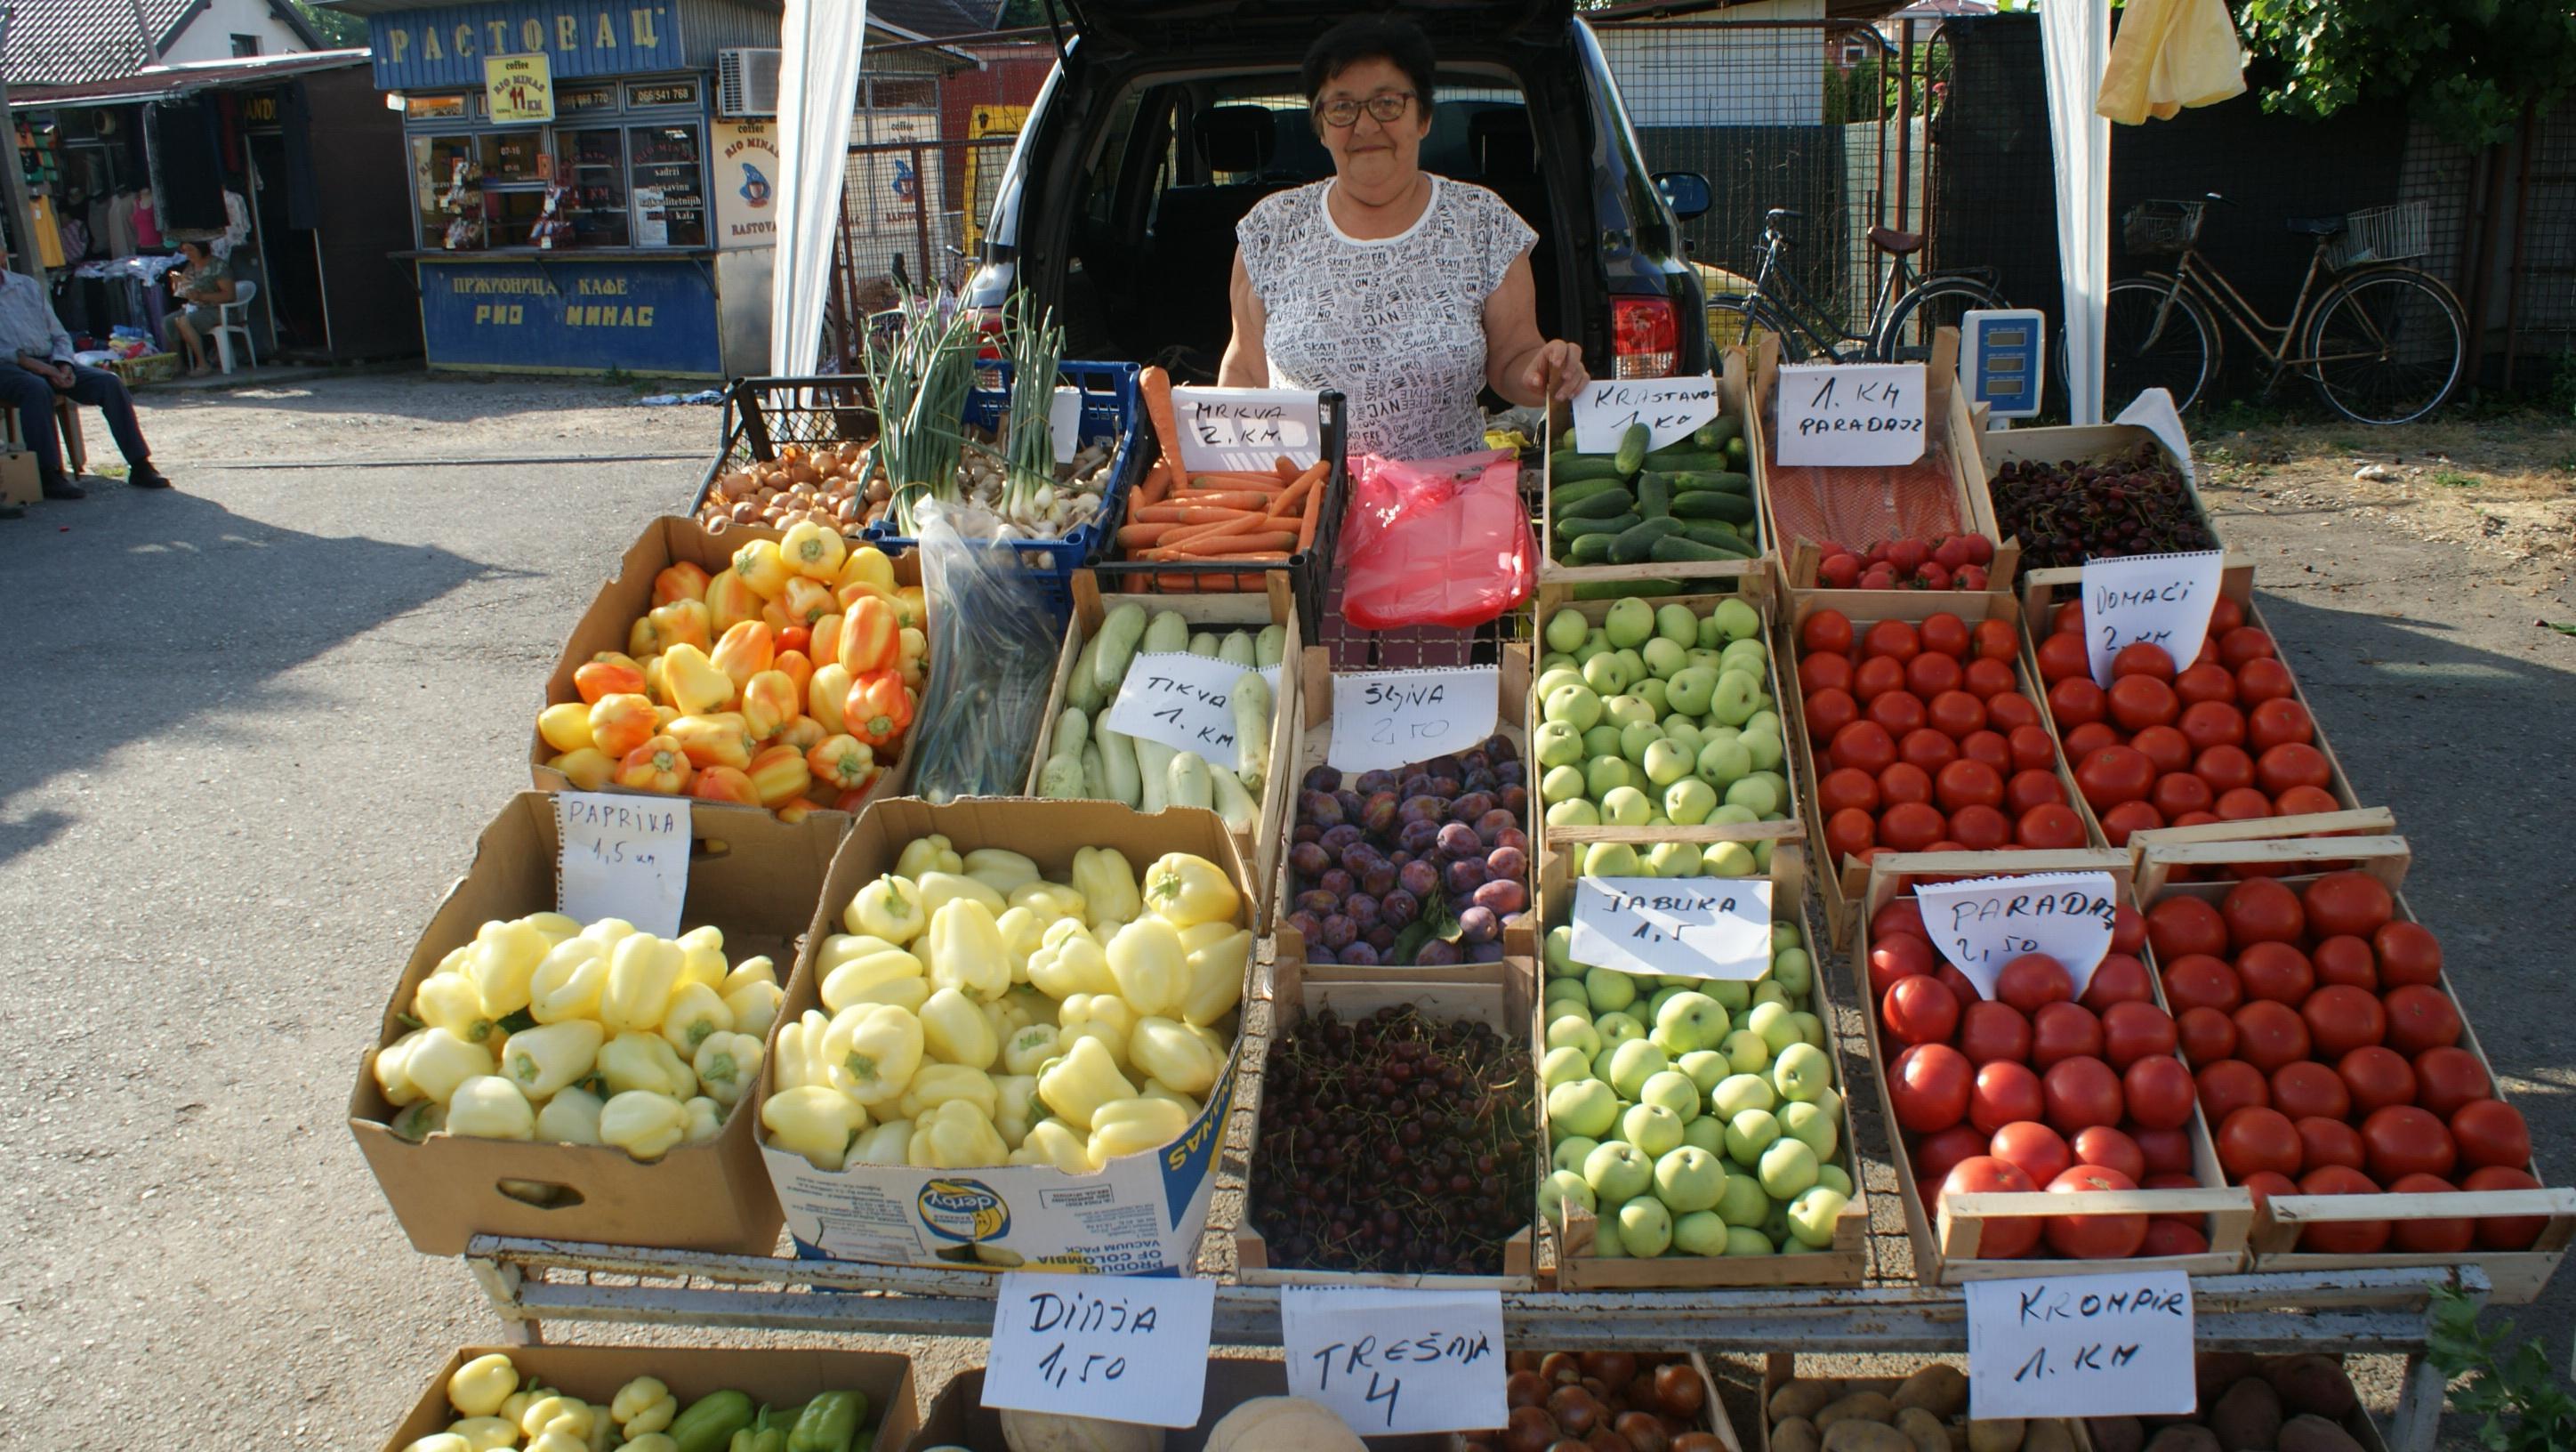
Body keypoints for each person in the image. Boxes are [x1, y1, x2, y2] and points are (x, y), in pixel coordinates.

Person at [1220, 14, 1588, 460]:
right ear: (1319, 126)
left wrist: (1544, 370)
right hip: (1306, 502)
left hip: (1448, 501)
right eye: (1341, 107)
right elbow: (1245, 370)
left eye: (1388, 103)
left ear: (1424, 117)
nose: (1366, 126)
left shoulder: (1483, 223)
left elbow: (1514, 357)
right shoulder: (1269, 229)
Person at [0, 268, 170, 499]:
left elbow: (58, 334)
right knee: (36, 389)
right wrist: (36, 366)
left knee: (109, 382)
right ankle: (49, 474)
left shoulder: (25, 285)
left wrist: (63, 364)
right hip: (9, 365)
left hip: (48, 358)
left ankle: (140, 464)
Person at [164, 239, 238, 376]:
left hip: (218, 310)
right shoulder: (191, 267)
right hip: (196, 307)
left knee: (184, 321)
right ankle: (178, 364)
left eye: (190, 249)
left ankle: (203, 364)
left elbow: (229, 295)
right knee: (168, 321)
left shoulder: (218, 267)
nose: (187, 254)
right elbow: (184, 292)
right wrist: (177, 283)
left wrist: (202, 297)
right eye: (185, 251)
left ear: (201, 249)